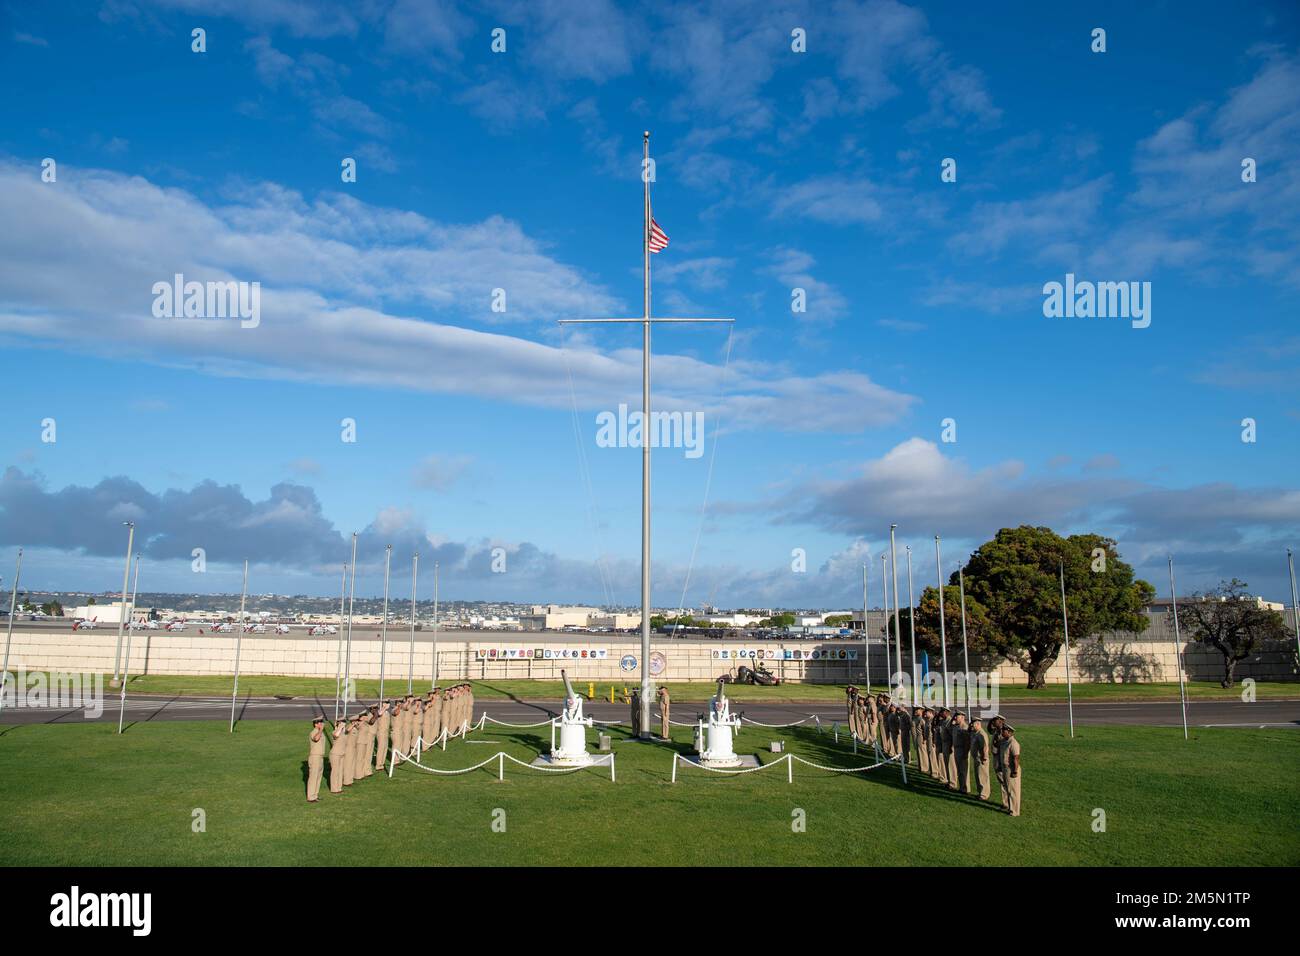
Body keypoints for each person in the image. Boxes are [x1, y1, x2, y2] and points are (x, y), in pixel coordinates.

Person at [969, 717, 990, 800]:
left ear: (978, 724)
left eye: (973, 724)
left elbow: (985, 747)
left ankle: (984, 795)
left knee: (983, 776)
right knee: (978, 776)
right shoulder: (975, 732)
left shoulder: (982, 734)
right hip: (976, 758)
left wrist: (984, 757)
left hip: (981, 758)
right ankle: (980, 792)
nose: (971, 725)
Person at [1002, 724, 1021, 817]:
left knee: (1013, 791)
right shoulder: (1005, 741)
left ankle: (1015, 811)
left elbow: (1016, 758)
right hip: (1006, 768)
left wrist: (1015, 771)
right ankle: (1011, 808)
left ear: (1009, 732)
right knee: (1009, 789)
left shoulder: (1013, 743)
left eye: (1004, 731)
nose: (1002, 732)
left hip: (1011, 769)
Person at [307, 716, 327, 803]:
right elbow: (316, 738)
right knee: (313, 777)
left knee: (318, 777)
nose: (322, 723)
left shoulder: (320, 732)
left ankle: (315, 795)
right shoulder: (314, 732)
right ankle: (310, 797)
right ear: (315, 724)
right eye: (320, 722)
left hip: (320, 757)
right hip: (315, 757)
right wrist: (321, 729)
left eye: (322, 722)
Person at [951, 711, 970, 794]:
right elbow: (949, 726)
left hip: (962, 750)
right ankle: (962, 787)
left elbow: (967, 742)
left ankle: (965, 788)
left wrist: (965, 753)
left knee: (964, 770)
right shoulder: (956, 726)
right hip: (956, 749)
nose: (955, 718)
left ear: (962, 717)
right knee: (959, 770)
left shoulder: (964, 727)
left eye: (957, 717)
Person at [328, 718, 348, 794]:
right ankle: (334, 788)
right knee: (335, 772)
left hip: (342, 754)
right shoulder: (334, 732)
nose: (343, 724)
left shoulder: (343, 733)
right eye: (341, 722)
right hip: (335, 754)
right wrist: (339, 726)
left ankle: (339, 787)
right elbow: (336, 735)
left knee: (340, 771)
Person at [375, 700, 391, 772]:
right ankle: (378, 765)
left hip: (386, 732)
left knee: (385, 748)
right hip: (381, 732)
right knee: (381, 748)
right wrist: (384, 707)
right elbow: (379, 714)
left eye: (388, 703)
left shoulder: (387, 712)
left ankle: (382, 763)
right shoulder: (380, 711)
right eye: (386, 703)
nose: (388, 705)